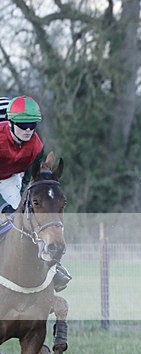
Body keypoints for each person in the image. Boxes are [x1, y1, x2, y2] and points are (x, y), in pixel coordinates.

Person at [0, 95, 71, 291]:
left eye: (32, 125)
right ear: (10, 123)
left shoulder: (36, 146)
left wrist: (25, 200)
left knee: (26, 219)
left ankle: (51, 267)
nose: (28, 130)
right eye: (23, 125)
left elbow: (28, 179)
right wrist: (3, 206)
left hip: (10, 178)